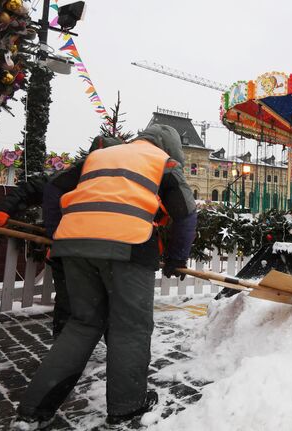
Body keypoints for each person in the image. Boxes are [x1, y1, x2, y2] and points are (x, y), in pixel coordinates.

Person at [14, 125, 197, 429]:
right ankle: (127, 407)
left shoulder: (99, 156)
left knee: (81, 324)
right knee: (131, 327)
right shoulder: (162, 162)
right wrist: (176, 258)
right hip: (128, 245)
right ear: (170, 147)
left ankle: (33, 409)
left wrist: (57, 231)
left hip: (73, 243)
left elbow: (53, 188)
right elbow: (187, 213)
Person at [0, 136, 123, 338]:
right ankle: (65, 354)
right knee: (71, 307)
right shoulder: (73, 176)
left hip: (110, 254)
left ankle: (115, 358)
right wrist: (4, 209)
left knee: (112, 308)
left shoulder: (124, 183)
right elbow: (33, 187)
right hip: (71, 252)